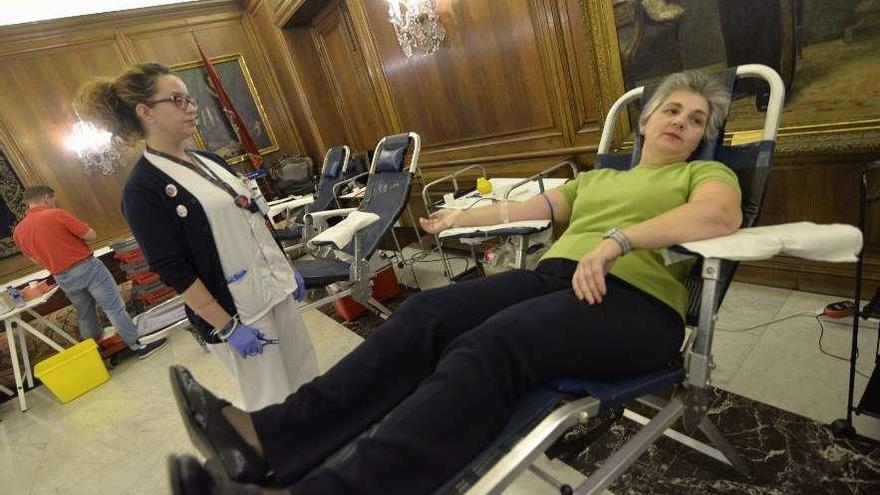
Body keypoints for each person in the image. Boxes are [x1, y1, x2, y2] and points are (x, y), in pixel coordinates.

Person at [164, 69, 742, 494]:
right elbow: (536, 207)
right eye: (673, 110)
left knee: (495, 342)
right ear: (646, 120)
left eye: (696, 121)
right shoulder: (598, 180)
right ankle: (270, 436)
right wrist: (461, 217)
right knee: (427, 314)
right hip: (556, 279)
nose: (682, 124)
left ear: (701, 138)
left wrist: (620, 240)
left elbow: (720, 218)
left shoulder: (705, 173)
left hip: (638, 307)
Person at [73, 63, 318, 411]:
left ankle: (327, 441)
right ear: (146, 112)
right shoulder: (143, 189)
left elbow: (250, 213)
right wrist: (228, 327)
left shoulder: (208, 159)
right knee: (273, 401)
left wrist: (285, 264)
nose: (192, 107)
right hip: (238, 313)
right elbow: (172, 267)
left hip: (273, 287)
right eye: (177, 99)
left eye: (189, 98)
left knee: (306, 377)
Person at [12, 185, 166, 358]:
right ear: (47, 198)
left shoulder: (18, 232)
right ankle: (138, 346)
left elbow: (34, 258)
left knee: (85, 314)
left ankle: (97, 353)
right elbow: (91, 235)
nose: (54, 202)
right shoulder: (56, 214)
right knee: (114, 308)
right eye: (53, 199)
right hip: (87, 268)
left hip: (62, 276)